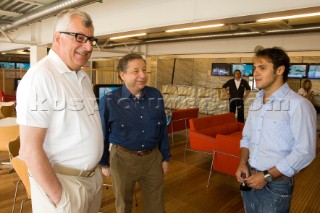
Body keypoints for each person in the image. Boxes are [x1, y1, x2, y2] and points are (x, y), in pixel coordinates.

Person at [16, 9, 104, 213]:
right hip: (64, 185)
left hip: (91, 179)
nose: (88, 46)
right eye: (80, 37)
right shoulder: (41, 77)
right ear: (58, 38)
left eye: (91, 39)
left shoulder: (81, 77)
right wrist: (60, 197)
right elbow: (29, 150)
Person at [235, 47, 316, 213]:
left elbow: (304, 151)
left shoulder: (298, 105)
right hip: (250, 176)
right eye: (254, 67)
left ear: (280, 70)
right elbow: (247, 137)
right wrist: (243, 163)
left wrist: (267, 176)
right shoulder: (256, 102)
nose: (255, 73)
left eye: (262, 68)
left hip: (276, 185)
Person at [99, 53, 171, 213]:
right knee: (123, 205)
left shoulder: (155, 95)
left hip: (152, 159)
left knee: (157, 205)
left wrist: (165, 157)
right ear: (122, 75)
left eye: (144, 70)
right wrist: (104, 163)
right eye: (136, 71)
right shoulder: (109, 100)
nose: (143, 75)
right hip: (123, 160)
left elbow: (162, 129)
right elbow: (102, 133)